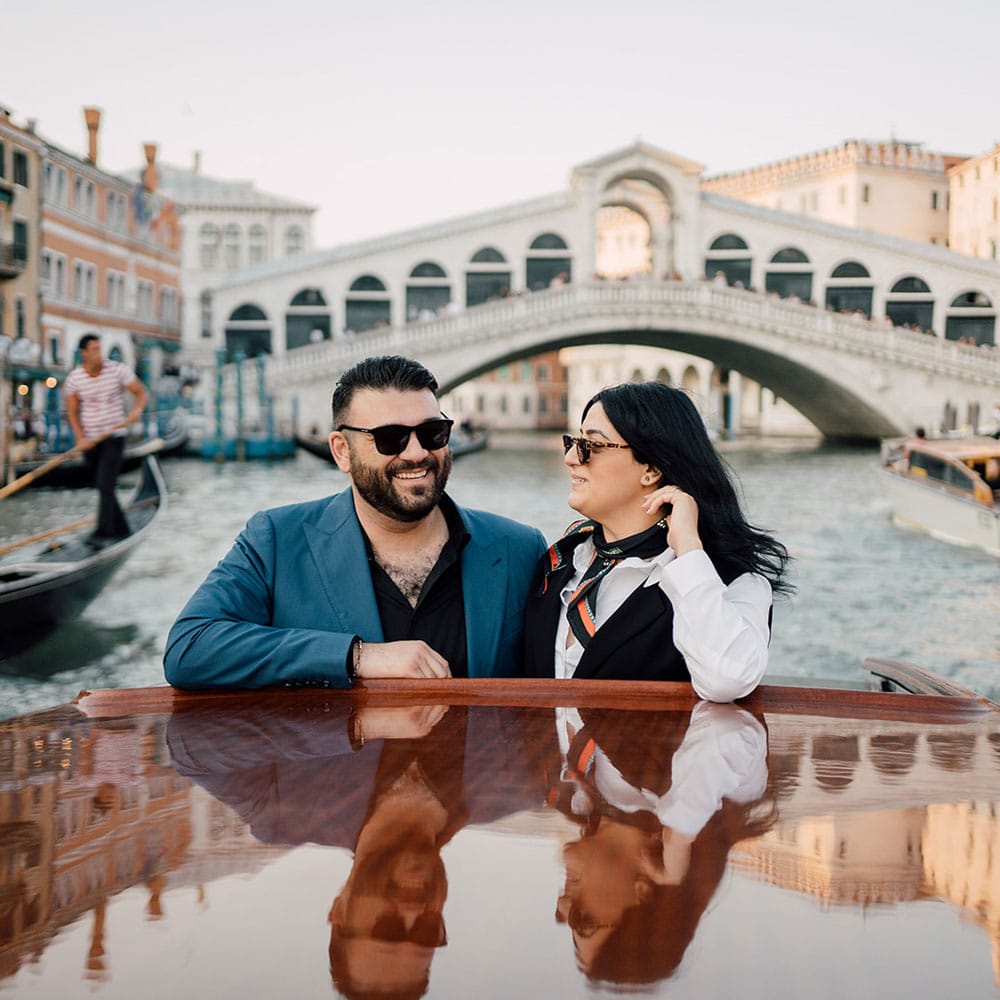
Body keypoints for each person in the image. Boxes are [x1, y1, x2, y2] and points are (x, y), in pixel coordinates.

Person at [164, 355, 547, 689]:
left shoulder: (520, 548)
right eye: (390, 438)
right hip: (340, 770)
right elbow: (190, 647)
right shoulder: (277, 540)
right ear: (341, 451)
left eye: (433, 433)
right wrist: (356, 657)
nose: (416, 453)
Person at [521, 382, 791, 701]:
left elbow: (727, 680)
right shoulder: (559, 563)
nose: (570, 458)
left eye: (590, 445)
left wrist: (689, 548)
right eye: (573, 442)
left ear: (651, 469)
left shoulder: (732, 581)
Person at [64, 333, 148, 545]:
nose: (97, 354)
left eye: (99, 349)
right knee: (104, 486)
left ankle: (103, 533)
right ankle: (121, 527)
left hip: (114, 436)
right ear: (83, 353)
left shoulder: (117, 370)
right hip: (90, 441)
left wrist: (137, 410)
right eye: (93, 350)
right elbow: (72, 412)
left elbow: (140, 391)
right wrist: (80, 438)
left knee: (105, 485)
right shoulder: (75, 378)